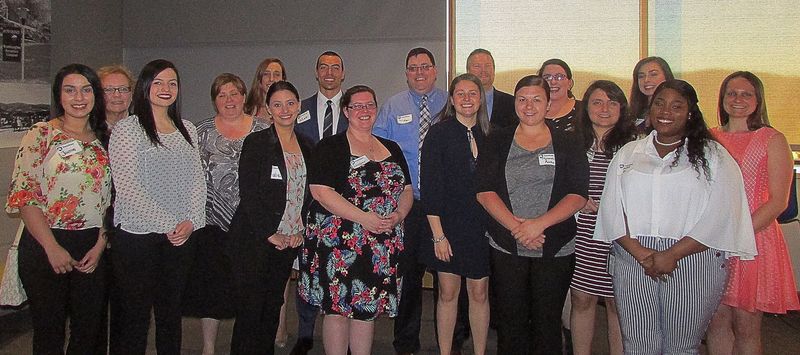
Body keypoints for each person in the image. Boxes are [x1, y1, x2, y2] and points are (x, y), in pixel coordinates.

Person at [594, 79, 757, 354]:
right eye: (659, 103)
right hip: (633, 259)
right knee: (637, 344)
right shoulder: (629, 152)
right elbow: (611, 208)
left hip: (692, 259)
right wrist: (640, 252)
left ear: (690, 112)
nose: (665, 111)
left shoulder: (714, 156)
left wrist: (672, 254)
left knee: (681, 346)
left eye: (676, 106)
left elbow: (722, 214)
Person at [476, 75, 589, 355]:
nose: (529, 105)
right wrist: (518, 228)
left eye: (537, 99)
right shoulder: (497, 138)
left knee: (547, 323)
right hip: (506, 244)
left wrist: (538, 225)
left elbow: (577, 194)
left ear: (548, 104)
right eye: (522, 99)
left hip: (555, 246)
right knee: (510, 322)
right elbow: (484, 190)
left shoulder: (569, 141)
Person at [297, 85, 413, 355]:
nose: (364, 111)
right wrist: (364, 219)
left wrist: (398, 215)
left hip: (379, 246)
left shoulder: (392, 148)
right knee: (337, 311)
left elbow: (406, 190)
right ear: (346, 111)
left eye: (369, 105)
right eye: (357, 106)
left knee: (366, 310)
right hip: (339, 246)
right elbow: (321, 192)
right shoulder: (331, 147)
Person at [6, 63, 111, 354]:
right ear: (59, 96)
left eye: (86, 89)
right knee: (49, 333)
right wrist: (52, 248)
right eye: (70, 90)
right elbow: (25, 196)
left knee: (88, 334)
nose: (79, 97)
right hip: (46, 242)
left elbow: (113, 200)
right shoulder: (40, 135)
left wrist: (101, 244)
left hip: (93, 244)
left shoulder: (105, 138)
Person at [109, 59, 206, 354]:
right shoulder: (128, 129)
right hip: (138, 238)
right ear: (145, 87)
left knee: (170, 315)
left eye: (172, 83)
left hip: (180, 238)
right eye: (159, 82)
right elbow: (128, 188)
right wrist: (170, 225)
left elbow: (197, 181)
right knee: (135, 316)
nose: (166, 89)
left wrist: (191, 221)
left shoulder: (187, 128)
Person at [706, 71, 800, 354]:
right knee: (716, 322)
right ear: (722, 99)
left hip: (754, 242)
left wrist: (737, 233)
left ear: (758, 100)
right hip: (713, 241)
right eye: (731, 93)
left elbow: (778, 202)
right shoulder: (709, 137)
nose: (738, 99)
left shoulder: (772, 139)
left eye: (746, 94)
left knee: (746, 326)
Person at [181, 73, 269, 355]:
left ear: (245, 97)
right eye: (222, 95)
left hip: (252, 225)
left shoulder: (264, 130)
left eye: (234, 93)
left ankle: (243, 346)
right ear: (214, 100)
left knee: (250, 290)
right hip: (211, 224)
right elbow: (188, 176)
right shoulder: (200, 131)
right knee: (212, 290)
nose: (229, 100)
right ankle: (208, 347)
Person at [227, 80, 313, 355]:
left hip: (288, 241)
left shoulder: (309, 146)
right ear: (268, 109)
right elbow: (249, 193)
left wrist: (301, 231)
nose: (284, 109)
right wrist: (269, 233)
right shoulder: (257, 143)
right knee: (251, 308)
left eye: (290, 103)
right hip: (255, 239)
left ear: (298, 106)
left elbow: (310, 195)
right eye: (277, 104)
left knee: (273, 304)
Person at [373, 47, 447, 355]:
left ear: (434, 70)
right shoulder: (393, 106)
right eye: (413, 68)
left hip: (444, 205)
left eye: (425, 67)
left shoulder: (450, 102)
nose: (419, 72)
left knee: (448, 279)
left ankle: (453, 340)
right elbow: (376, 153)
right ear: (406, 73)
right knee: (410, 278)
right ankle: (406, 343)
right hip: (409, 206)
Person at [420, 73, 491, 355]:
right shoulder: (438, 134)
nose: (466, 99)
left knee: (480, 293)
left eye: (472, 93)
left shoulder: (492, 134)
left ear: (480, 98)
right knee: (448, 294)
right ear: (451, 99)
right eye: (460, 94)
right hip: (447, 227)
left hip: (482, 229)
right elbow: (431, 188)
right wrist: (438, 236)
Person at [569, 80, 636, 355]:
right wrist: (577, 202)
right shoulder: (572, 142)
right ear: (587, 108)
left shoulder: (635, 146)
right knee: (581, 300)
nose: (604, 108)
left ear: (622, 108)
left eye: (612, 102)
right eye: (597, 102)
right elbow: (559, 183)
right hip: (581, 234)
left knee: (616, 303)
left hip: (620, 236)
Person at [290, 50, 350, 355]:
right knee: (307, 269)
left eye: (335, 67)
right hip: (307, 204)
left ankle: (343, 335)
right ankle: (304, 333)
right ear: (316, 73)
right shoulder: (298, 110)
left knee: (342, 271)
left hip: (345, 204)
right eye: (323, 67)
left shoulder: (355, 110)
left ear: (343, 73)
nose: (329, 72)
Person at [466, 48, 516, 128]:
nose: (483, 70)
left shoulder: (511, 103)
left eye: (487, 66)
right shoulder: (460, 103)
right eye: (477, 66)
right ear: (468, 71)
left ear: (494, 70)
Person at [629, 57, 674, 135]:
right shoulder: (631, 114)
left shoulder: (676, 110)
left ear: (666, 76)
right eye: (641, 76)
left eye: (653, 74)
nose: (646, 80)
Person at [538, 59, 581, 132]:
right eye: (547, 77)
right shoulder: (529, 110)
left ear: (569, 83)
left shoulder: (584, 110)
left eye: (559, 77)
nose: (553, 82)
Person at [97, 65, 134, 129]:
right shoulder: (89, 129)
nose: (117, 95)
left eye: (123, 89)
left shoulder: (143, 128)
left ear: (131, 94)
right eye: (109, 89)